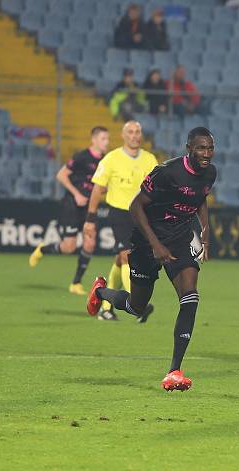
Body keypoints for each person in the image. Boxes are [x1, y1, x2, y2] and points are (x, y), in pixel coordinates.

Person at [86, 127, 217, 391]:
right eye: (201, 148)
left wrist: (204, 235)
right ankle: (101, 292)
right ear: (189, 147)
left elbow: (200, 200)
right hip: (147, 242)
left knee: (190, 297)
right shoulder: (167, 172)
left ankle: (174, 371)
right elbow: (135, 206)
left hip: (179, 240)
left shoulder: (210, 173)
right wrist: (155, 244)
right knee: (136, 306)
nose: (206, 154)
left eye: (210, 148)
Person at [84, 121, 158, 321]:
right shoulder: (111, 159)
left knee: (121, 259)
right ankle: (137, 304)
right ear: (123, 136)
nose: (134, 136)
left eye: (137, 132)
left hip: (141, 215)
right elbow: (98, 189)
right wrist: (90, 219)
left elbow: (157, 190)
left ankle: (105, 308)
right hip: (119, 213)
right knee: (127, 256)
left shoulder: (150, 160)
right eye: (130, 132)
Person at [29, 127, 110, 295]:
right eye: (103, 139)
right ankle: (43, 249)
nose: (106, 142)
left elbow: (102, 185)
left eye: (107, 139)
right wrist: (77, 194)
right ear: (93, 139)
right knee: (68, 247)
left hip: (90, 208)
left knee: (90, 243)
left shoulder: (106, 161)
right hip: (72, 205)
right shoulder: (82, 157)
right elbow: (61, 175)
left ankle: (76, 283)